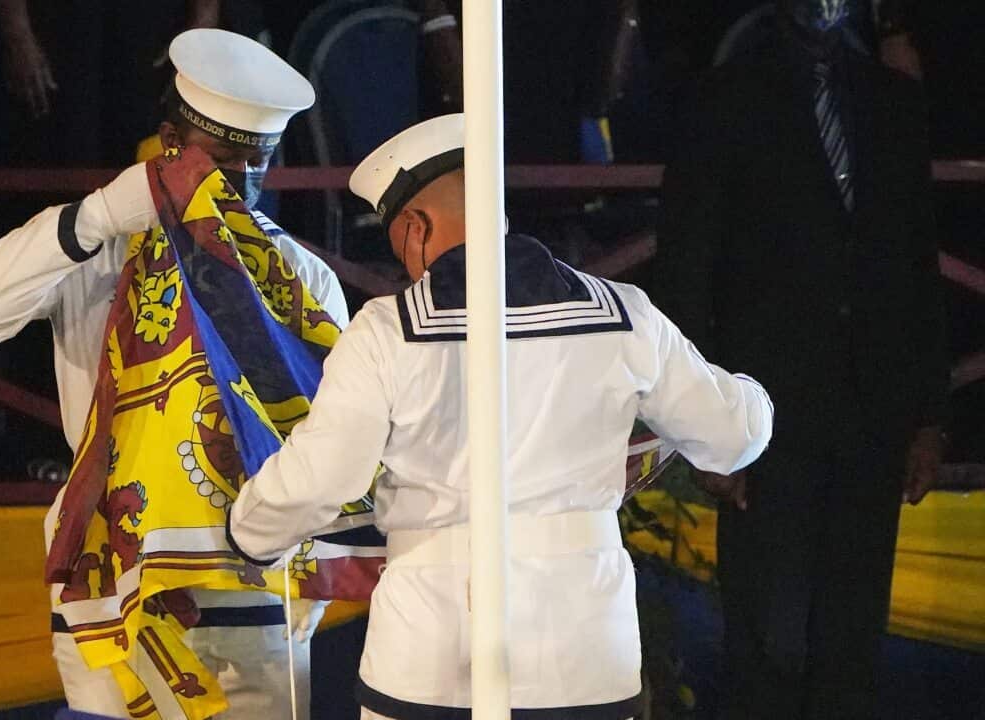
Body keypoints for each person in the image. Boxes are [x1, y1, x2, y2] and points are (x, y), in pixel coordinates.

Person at [227, 113, 774, 719]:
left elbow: (322, 477)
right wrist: (754, 394)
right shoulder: (625, 314)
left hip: (429, 652)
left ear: (415, 227)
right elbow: (733, 436)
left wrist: (248, 533)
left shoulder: (387, 331)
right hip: (584, 654)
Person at [0, 29, 345, 720]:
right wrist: (93, 217)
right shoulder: (97, 246)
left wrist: (310, 592)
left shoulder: (299, 275)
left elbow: (332, 434)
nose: (238, 185)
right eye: (221, 162)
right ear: (169, 144)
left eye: (259, 164)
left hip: (249, 577)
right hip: (110, 564)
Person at [653, 1, 947, 717]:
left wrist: (929, 415)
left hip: (874, 411)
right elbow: (687, 271)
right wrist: (704, 429)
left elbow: (917, 265)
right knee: (766, 640)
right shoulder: (725, 98)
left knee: (852, 641)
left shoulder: (892, 102)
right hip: (763, 419)